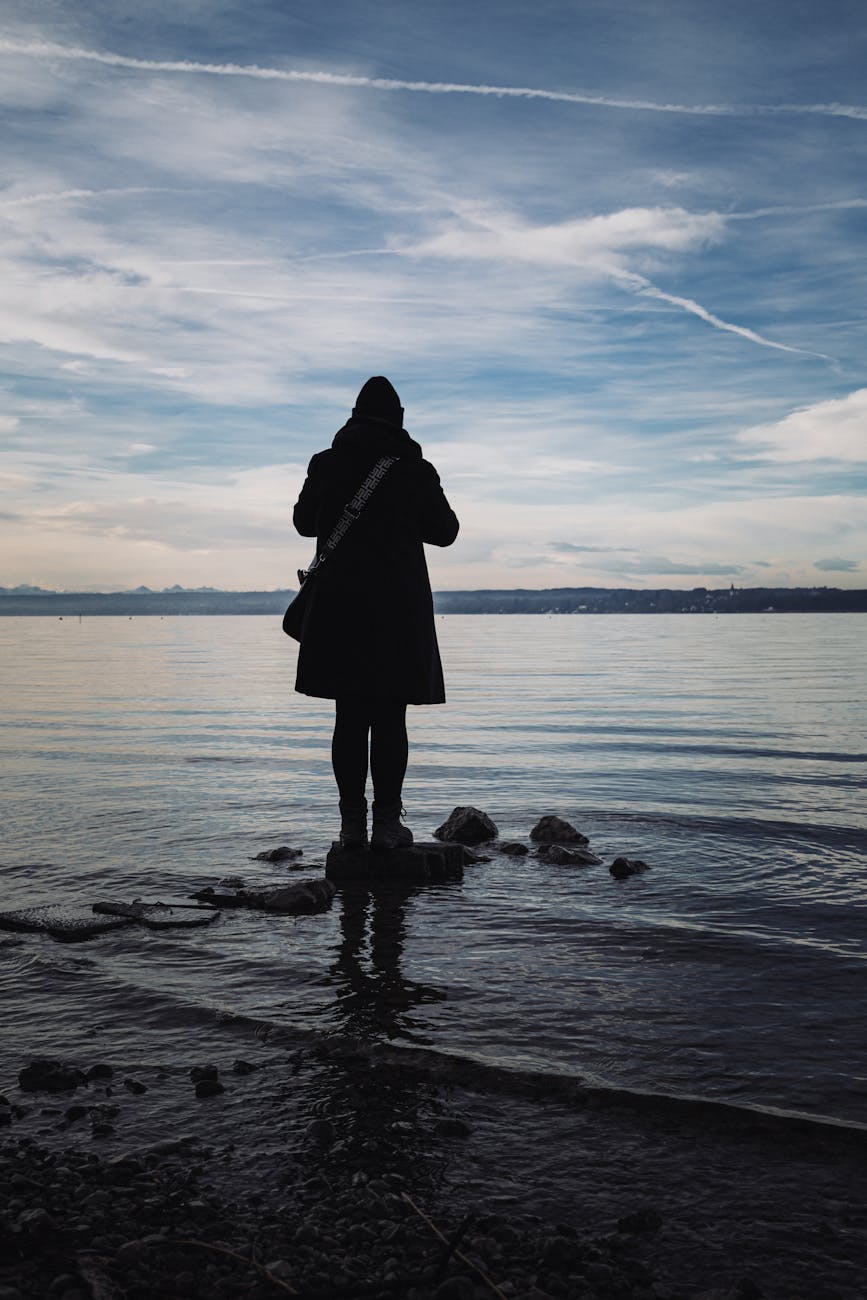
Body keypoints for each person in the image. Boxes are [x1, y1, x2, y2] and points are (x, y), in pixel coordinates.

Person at [292, 377, 459, 850]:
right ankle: (386, 825)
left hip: (338, 609)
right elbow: (446, 532)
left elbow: (303, 523)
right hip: (397, 612)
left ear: (354, 415)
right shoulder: (415, 470)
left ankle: (350, 828)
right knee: (390, 718)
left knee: (348, 717)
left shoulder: (326, 463)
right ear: (398, 419)